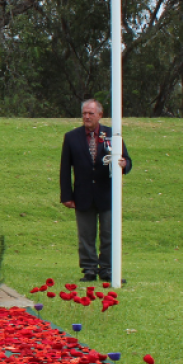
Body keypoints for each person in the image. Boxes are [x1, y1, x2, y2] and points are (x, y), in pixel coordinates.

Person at [60, 99, 131, 282]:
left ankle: (107, 269)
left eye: (91, 113)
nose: (87, 116)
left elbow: (127, 161)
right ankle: (89, 269)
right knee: (86, 235)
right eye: (84, 113)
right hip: (83, 195)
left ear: (100, 115)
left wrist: (123, 164)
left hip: (107, 195)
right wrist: (66, 196)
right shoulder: (71, 137)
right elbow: (65, 169)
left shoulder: (112, 135)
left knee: (108, 233)